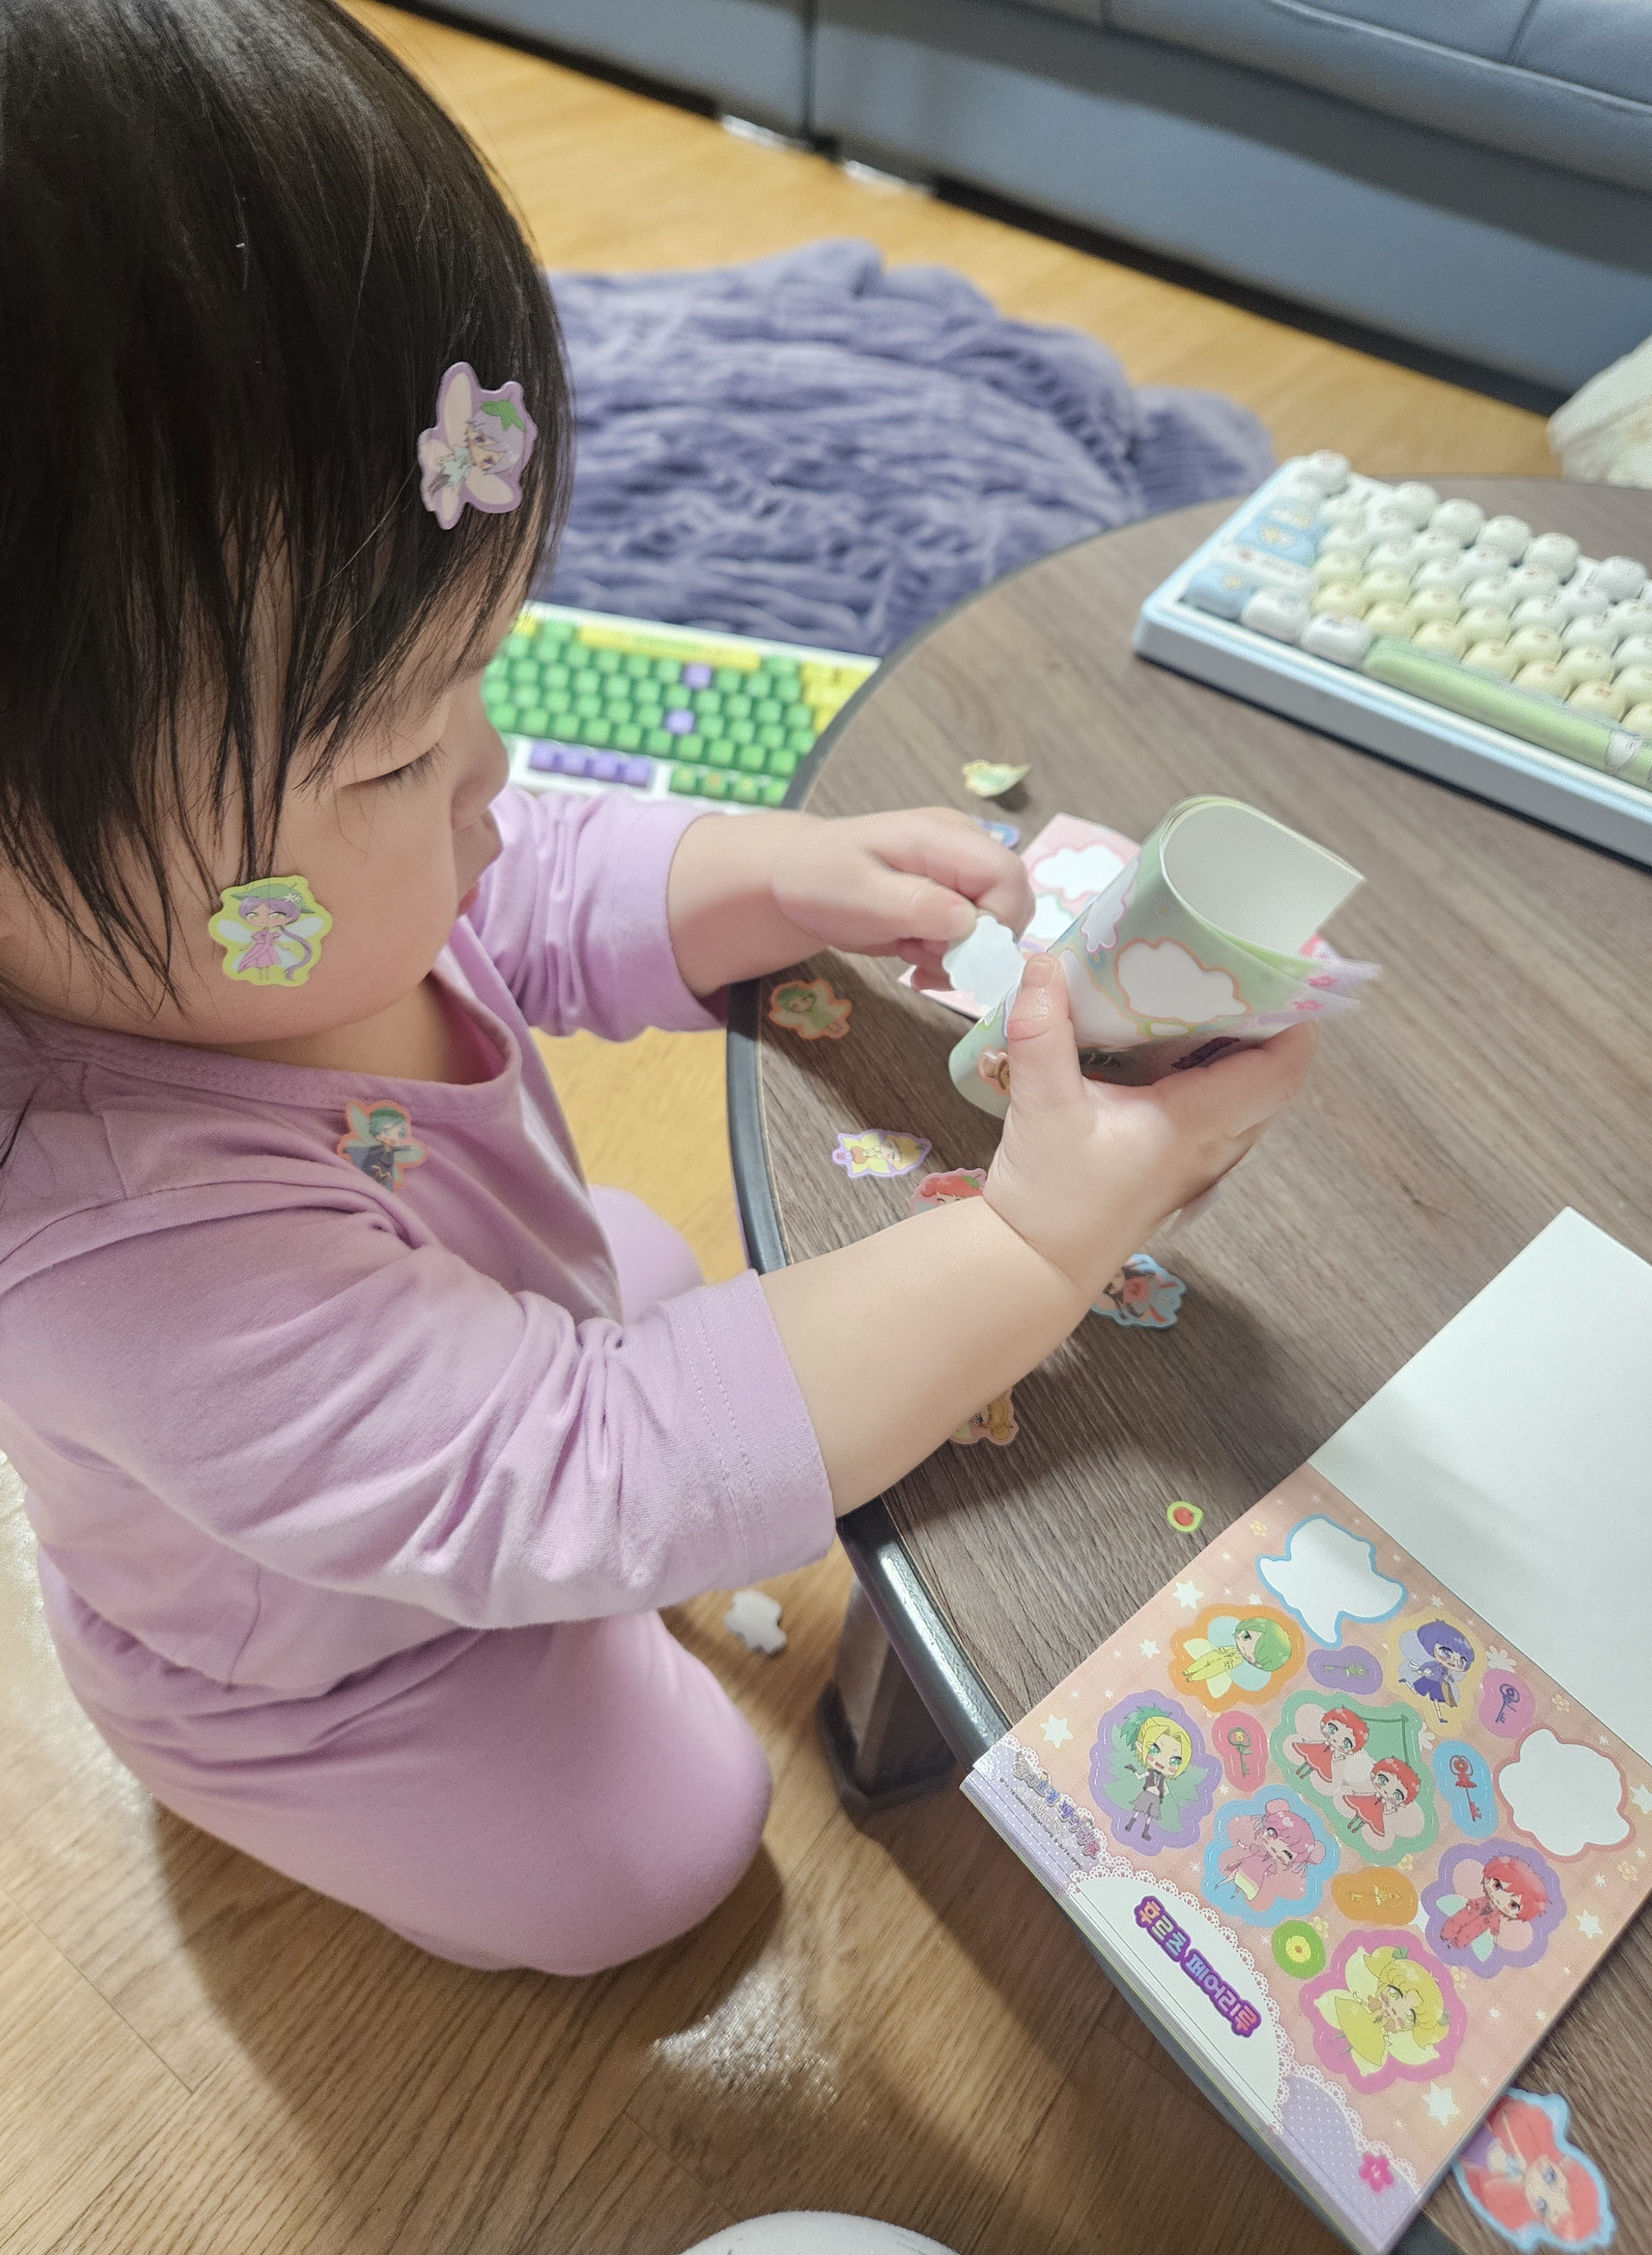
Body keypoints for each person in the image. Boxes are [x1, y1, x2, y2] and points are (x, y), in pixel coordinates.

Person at [0, 0, 1314, 1978]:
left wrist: (769, 873)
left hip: (447, 1390)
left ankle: (553, 1333)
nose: (491, 772)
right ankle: (212, 1739)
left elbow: (526, 882)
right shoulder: (121, 1257)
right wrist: (1036, 1242)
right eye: (397, 752)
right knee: (667, 1845)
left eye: (483, 677)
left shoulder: (249, 916)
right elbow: (579, 1471)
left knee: (642, 1274)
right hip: (311, 1660)